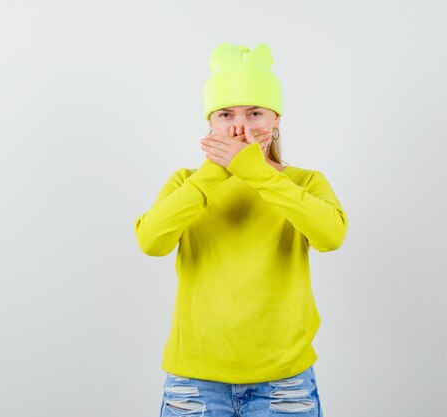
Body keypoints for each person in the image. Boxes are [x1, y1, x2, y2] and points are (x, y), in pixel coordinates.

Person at [133, 42, 348, 417]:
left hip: (284, 381)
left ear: (276, 119)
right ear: (209, 124)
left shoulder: (305, 182)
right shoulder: (187, 182)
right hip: (194, 381)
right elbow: (151, 242)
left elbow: (331, 237)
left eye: (255, 112)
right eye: (225, 114)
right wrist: (214, 172)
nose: (239, 126)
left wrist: (256, 171)